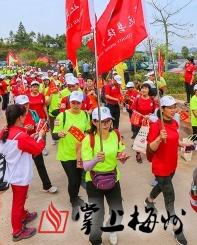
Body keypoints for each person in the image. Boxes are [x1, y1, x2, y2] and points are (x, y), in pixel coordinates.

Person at [144, 95, 193, 245]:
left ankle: (149, 200)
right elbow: (149, 148)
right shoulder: (156, 125)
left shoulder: (173, 123)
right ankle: (176, 227)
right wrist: (159, 138)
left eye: (174, 107)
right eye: (170, 108)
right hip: (160, 166)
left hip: (172, 164)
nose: (174, 110)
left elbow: (173, 139)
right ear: (162, 109)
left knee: (162, 186)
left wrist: (181, 144)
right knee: (170, 196)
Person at [0, 104, 47, 242]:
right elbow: (37, 149)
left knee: (20, 199)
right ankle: (17, 231)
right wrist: (41, 136)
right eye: (25, 115)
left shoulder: (5, 132)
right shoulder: (20, 136)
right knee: (17, 202)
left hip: (11, 172)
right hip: (19, 174)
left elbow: (20, 144)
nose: (26, 118)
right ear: (20, 118)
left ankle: (23, 215)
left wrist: (30, 134)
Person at [81, 107, 129, 245]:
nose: (107, 124)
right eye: (103, 121)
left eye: (108, 121)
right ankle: (96, 241)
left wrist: (122, 157)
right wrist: (96, 159)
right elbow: (86, 166)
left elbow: (120, 152)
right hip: (94, 182)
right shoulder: (89, 139)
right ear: (94, 122)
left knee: (118, 212)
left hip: (113, 179)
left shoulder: (116, 134)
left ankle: (111, 228)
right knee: (97, 216)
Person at [52, 91, 91, 221]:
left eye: (78, 103)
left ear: (82, 103)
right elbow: (53, 134)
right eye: (73, 103)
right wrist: (60, 134)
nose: (75, 105)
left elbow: (88, 130)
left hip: (80, 153)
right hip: (66, 154)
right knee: (73, 180)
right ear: (69, 103)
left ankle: (76, 197)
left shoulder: (86, 115)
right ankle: (74, 202)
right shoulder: (62, 116)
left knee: (79, 178)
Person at [15, 95, 58, 193]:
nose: (25, 106)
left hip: (33, 143)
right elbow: (13, 131)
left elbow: (39, 125)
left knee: (40, 165)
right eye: (22, 104)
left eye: (26, 103)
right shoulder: (15, 116)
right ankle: (21, 190)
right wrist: (24, 128)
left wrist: (36, 127)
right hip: (23, 146)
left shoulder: (33, 112)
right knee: (23, 168)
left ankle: (47, 186)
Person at [130, 82, 157, 163]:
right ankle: (138, 154)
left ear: (149, 90)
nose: (143, 90)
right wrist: (140, 115)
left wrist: (150, 114)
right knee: (139, 137)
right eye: (142, 88)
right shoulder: (137, 99)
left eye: (146, 88)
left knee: (149, 137)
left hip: (149, 122)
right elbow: (132, 109)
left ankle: (149, 152)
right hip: (139, 122)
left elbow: (155, 111)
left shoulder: (151, 100)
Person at [27, 81, 50, 155]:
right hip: (32, 118)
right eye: (33, 87)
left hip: (41, 118)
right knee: (33, 132)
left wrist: (47, 116)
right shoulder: (27, 96)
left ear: (38, 88)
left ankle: (43, 147)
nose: (35, 88)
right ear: (31, 87)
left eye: (36, 87)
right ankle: (34, 146)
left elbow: (44, 106)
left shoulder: (41, 95)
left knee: (43, 133)